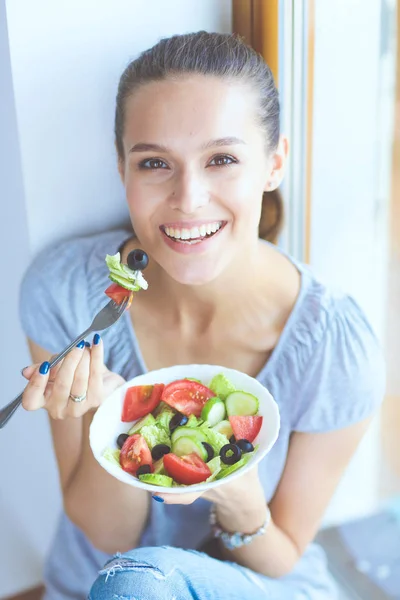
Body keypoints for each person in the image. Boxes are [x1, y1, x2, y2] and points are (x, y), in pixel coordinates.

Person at [20, 31, 385, 600]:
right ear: (123, 169)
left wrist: (239, 497)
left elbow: (281, 556)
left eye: (222, 159)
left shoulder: (336, 348)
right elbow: (108, 532)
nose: (188, 198)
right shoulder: (65, 294)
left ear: (274, 163)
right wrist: (115, 419)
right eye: (155, 163)